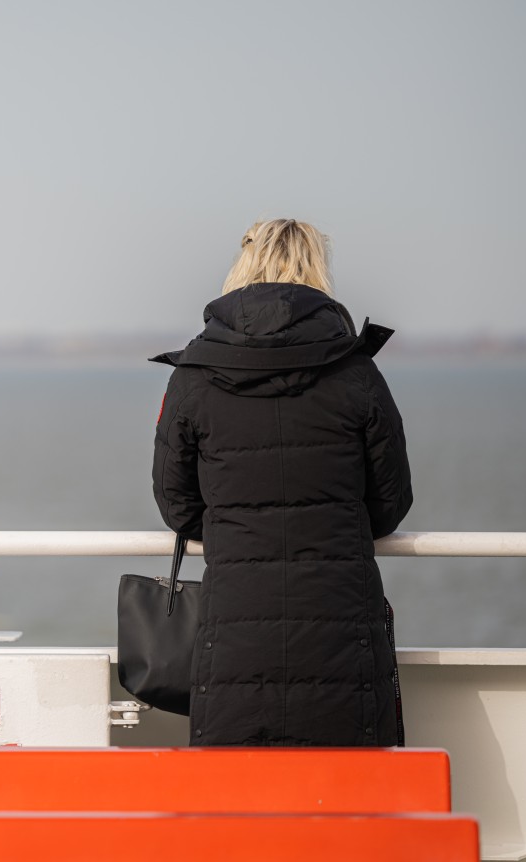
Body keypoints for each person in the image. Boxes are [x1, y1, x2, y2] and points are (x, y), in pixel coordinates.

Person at [151, 218, 412, 746]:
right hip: (341, 623)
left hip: (235, 625)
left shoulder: (193, 376)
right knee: (348, 799)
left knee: (237, 803)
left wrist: (237, 525)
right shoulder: (357, 372)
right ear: (319, 272)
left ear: (240, 267)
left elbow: (177, 506)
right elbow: (390, 503)